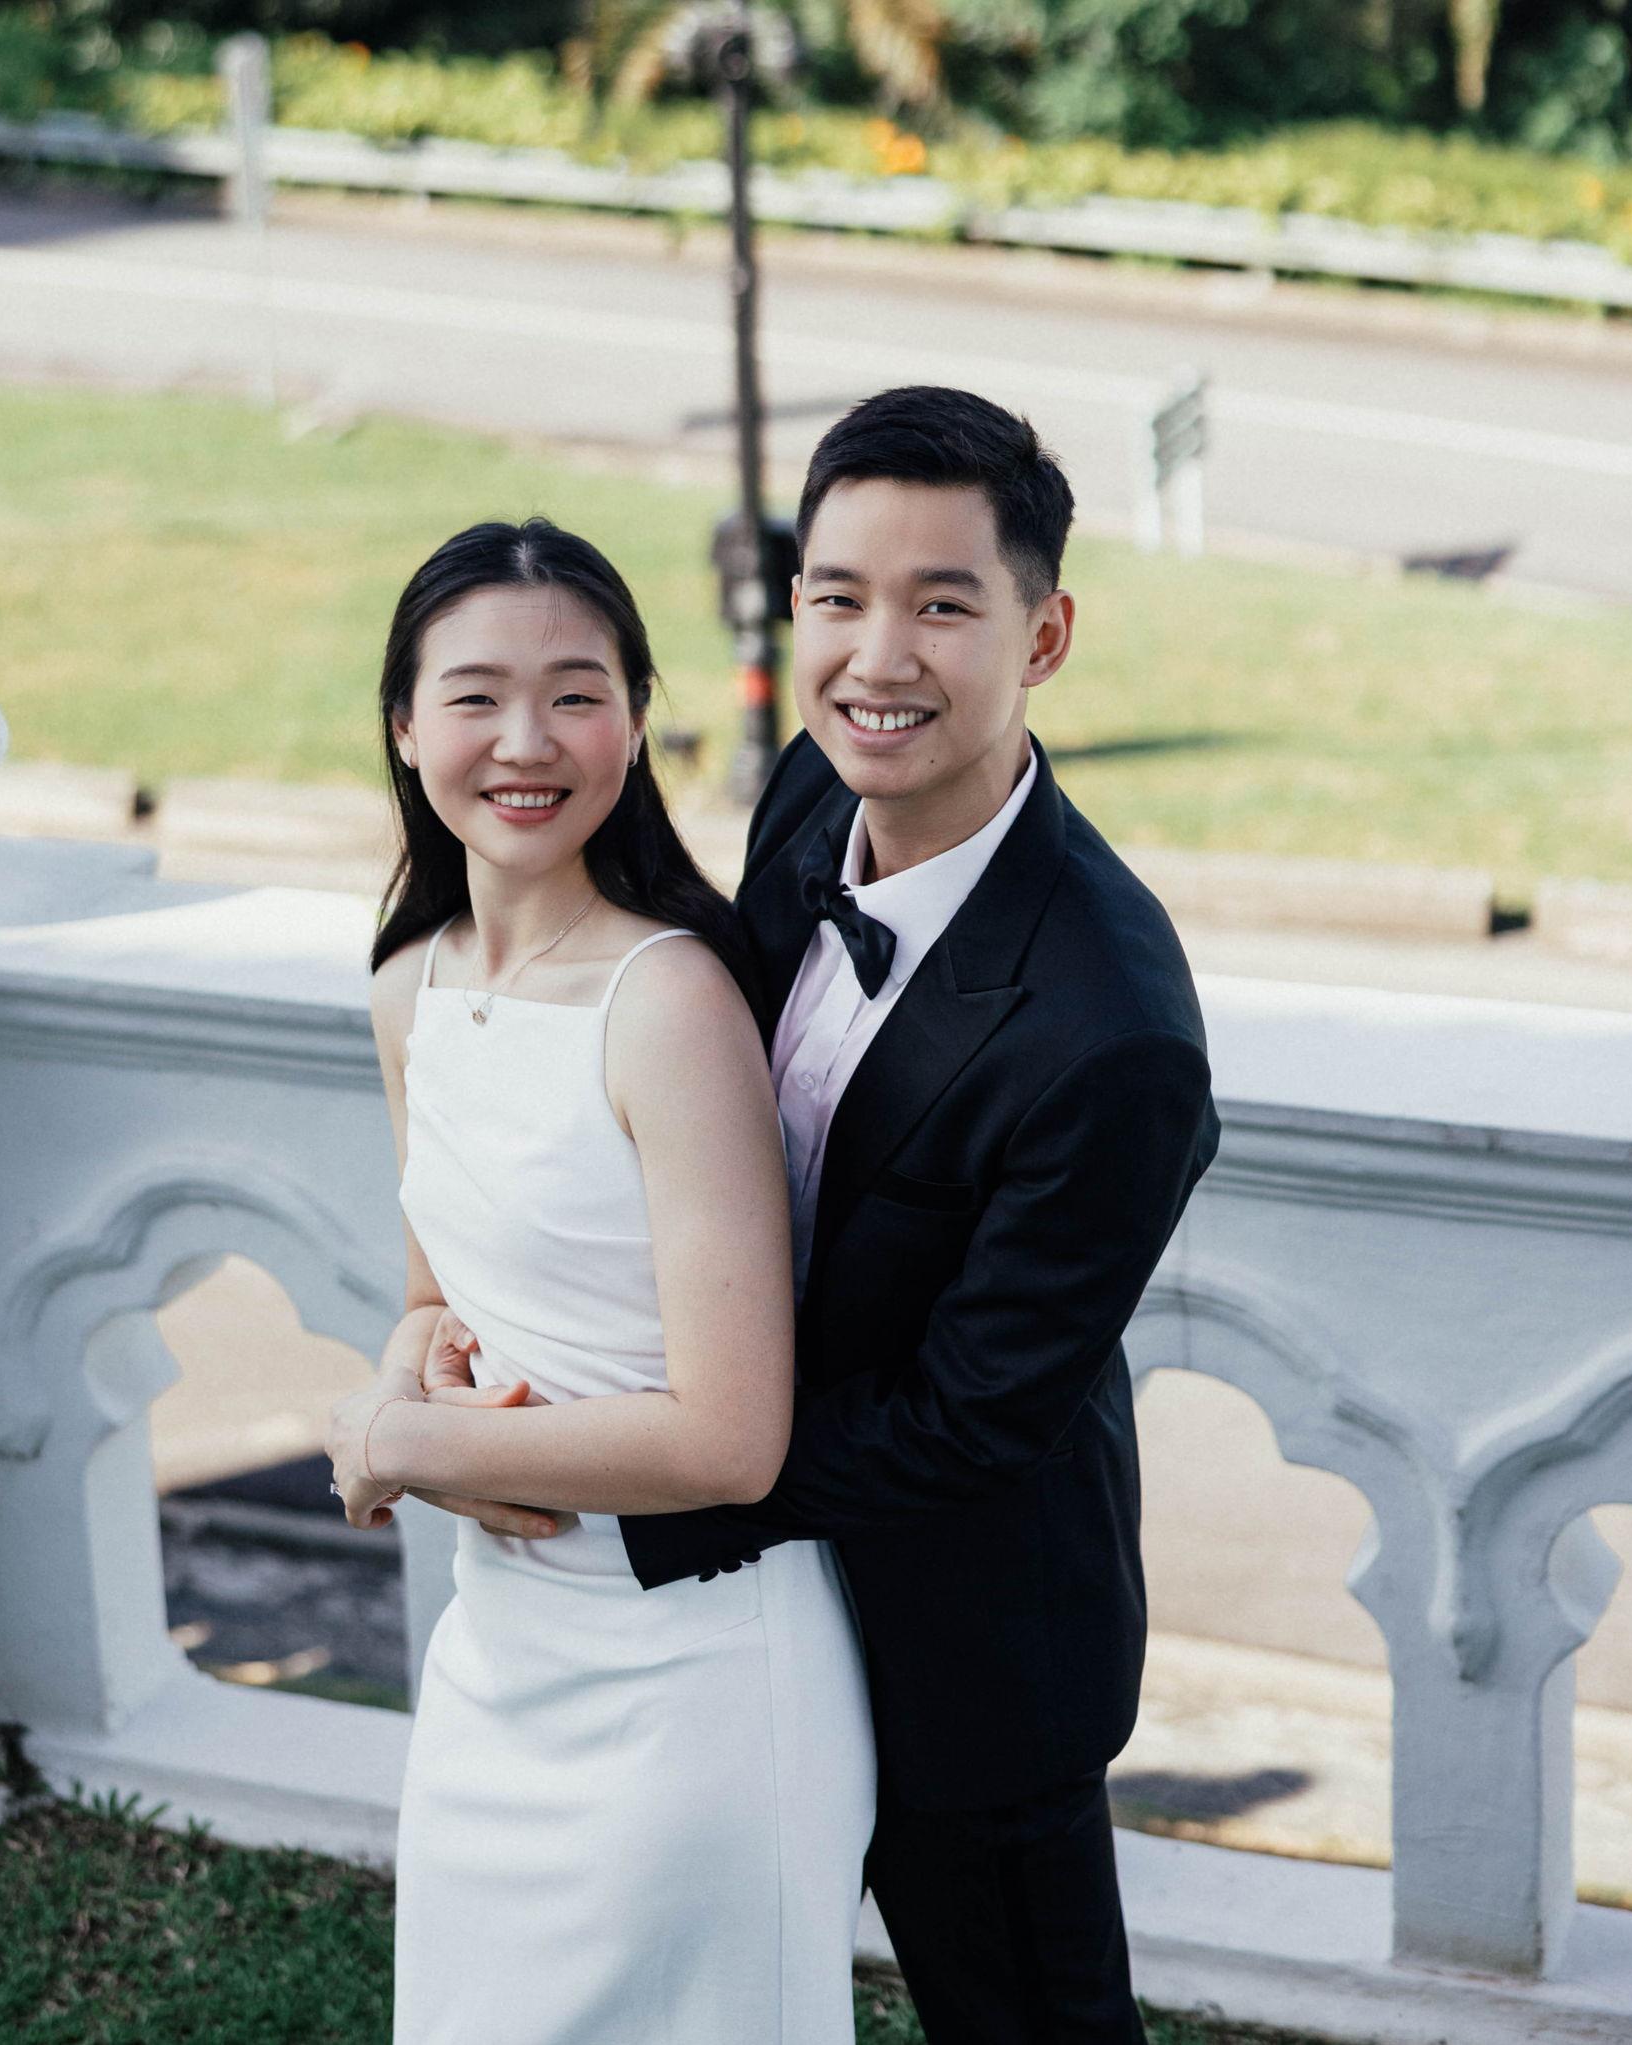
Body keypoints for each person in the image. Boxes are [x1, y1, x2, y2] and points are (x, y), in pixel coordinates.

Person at [398, 387, 1223, 2043]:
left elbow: (967, 1420)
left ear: (1045, 635)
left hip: (965, 1638)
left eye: (942, 605)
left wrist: (621, 1476)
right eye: (840, 597)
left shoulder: (1115, 1030)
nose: (877, 658)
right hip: (714, 1623)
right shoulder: (805, 789)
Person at [324, 518, 874, 2045]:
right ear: (404, 724)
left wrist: (406, 1443)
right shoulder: (410, 985)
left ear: (635, 722)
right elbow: (435, 1296)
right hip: (500, 1654)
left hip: (694, 1678)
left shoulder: (670, 1000)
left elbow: (731, 1438)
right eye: (476, 696)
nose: (526, 741)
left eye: (576, 694)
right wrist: (401, 1388)